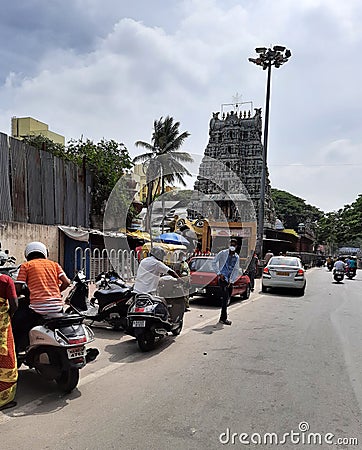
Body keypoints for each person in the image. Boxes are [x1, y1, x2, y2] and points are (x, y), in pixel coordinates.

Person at [12, 242, 71, 353]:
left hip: (38, 308)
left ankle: (16, 351)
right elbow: (67, 282)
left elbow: (18, 288)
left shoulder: (26, 266)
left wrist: (15, 294)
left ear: (27, 254)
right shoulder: (54, 265)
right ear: (44, 252)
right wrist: (56, 292)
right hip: (58, 307)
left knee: (16, 323)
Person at [0, 274, 18, 410]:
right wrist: (9, 315)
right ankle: (3, 400)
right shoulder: (5, 280)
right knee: (7, 359)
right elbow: (14, 304)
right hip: (2, 326)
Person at [212, 238, 240, 326]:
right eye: (231, 244)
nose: (232, 246)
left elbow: (236, 269)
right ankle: (223, 318)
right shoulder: (223, 253)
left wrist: (232, 281)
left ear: (236, 246)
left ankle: (223, 317)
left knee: (227, 299)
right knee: (225, 299)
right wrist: (219, 274)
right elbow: (214, 262)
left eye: (234, 245)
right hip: (223, 279)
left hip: (230, 280)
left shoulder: (236, 257)